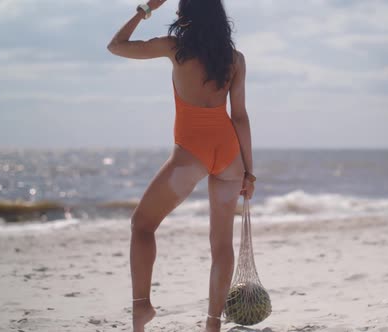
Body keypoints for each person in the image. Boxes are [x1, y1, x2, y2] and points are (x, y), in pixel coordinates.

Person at [107, 0, 255, 331]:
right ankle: (213, 323)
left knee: (142, 226)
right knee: (221, 246)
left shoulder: (175, 47)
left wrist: (146, 8)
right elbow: (240, 116)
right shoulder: (234, 59)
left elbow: (115, 46)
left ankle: (142, 306)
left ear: (186, 13)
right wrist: (249, 170)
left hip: (193, 153)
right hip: (229, 152)